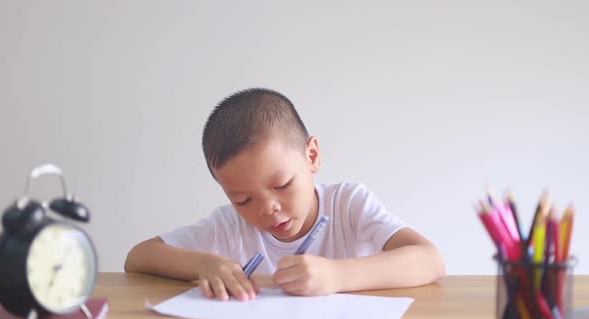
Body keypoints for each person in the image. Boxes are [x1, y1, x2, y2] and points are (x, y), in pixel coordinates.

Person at [124, 88, 445, 301]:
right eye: (242, 199)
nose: (268, 208)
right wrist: (204, 264)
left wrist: (335, 275)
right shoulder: (229, 225)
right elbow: (138, 257)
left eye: (281, 185)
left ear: (312, 156)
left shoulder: (348, 204)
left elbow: (430, 260)